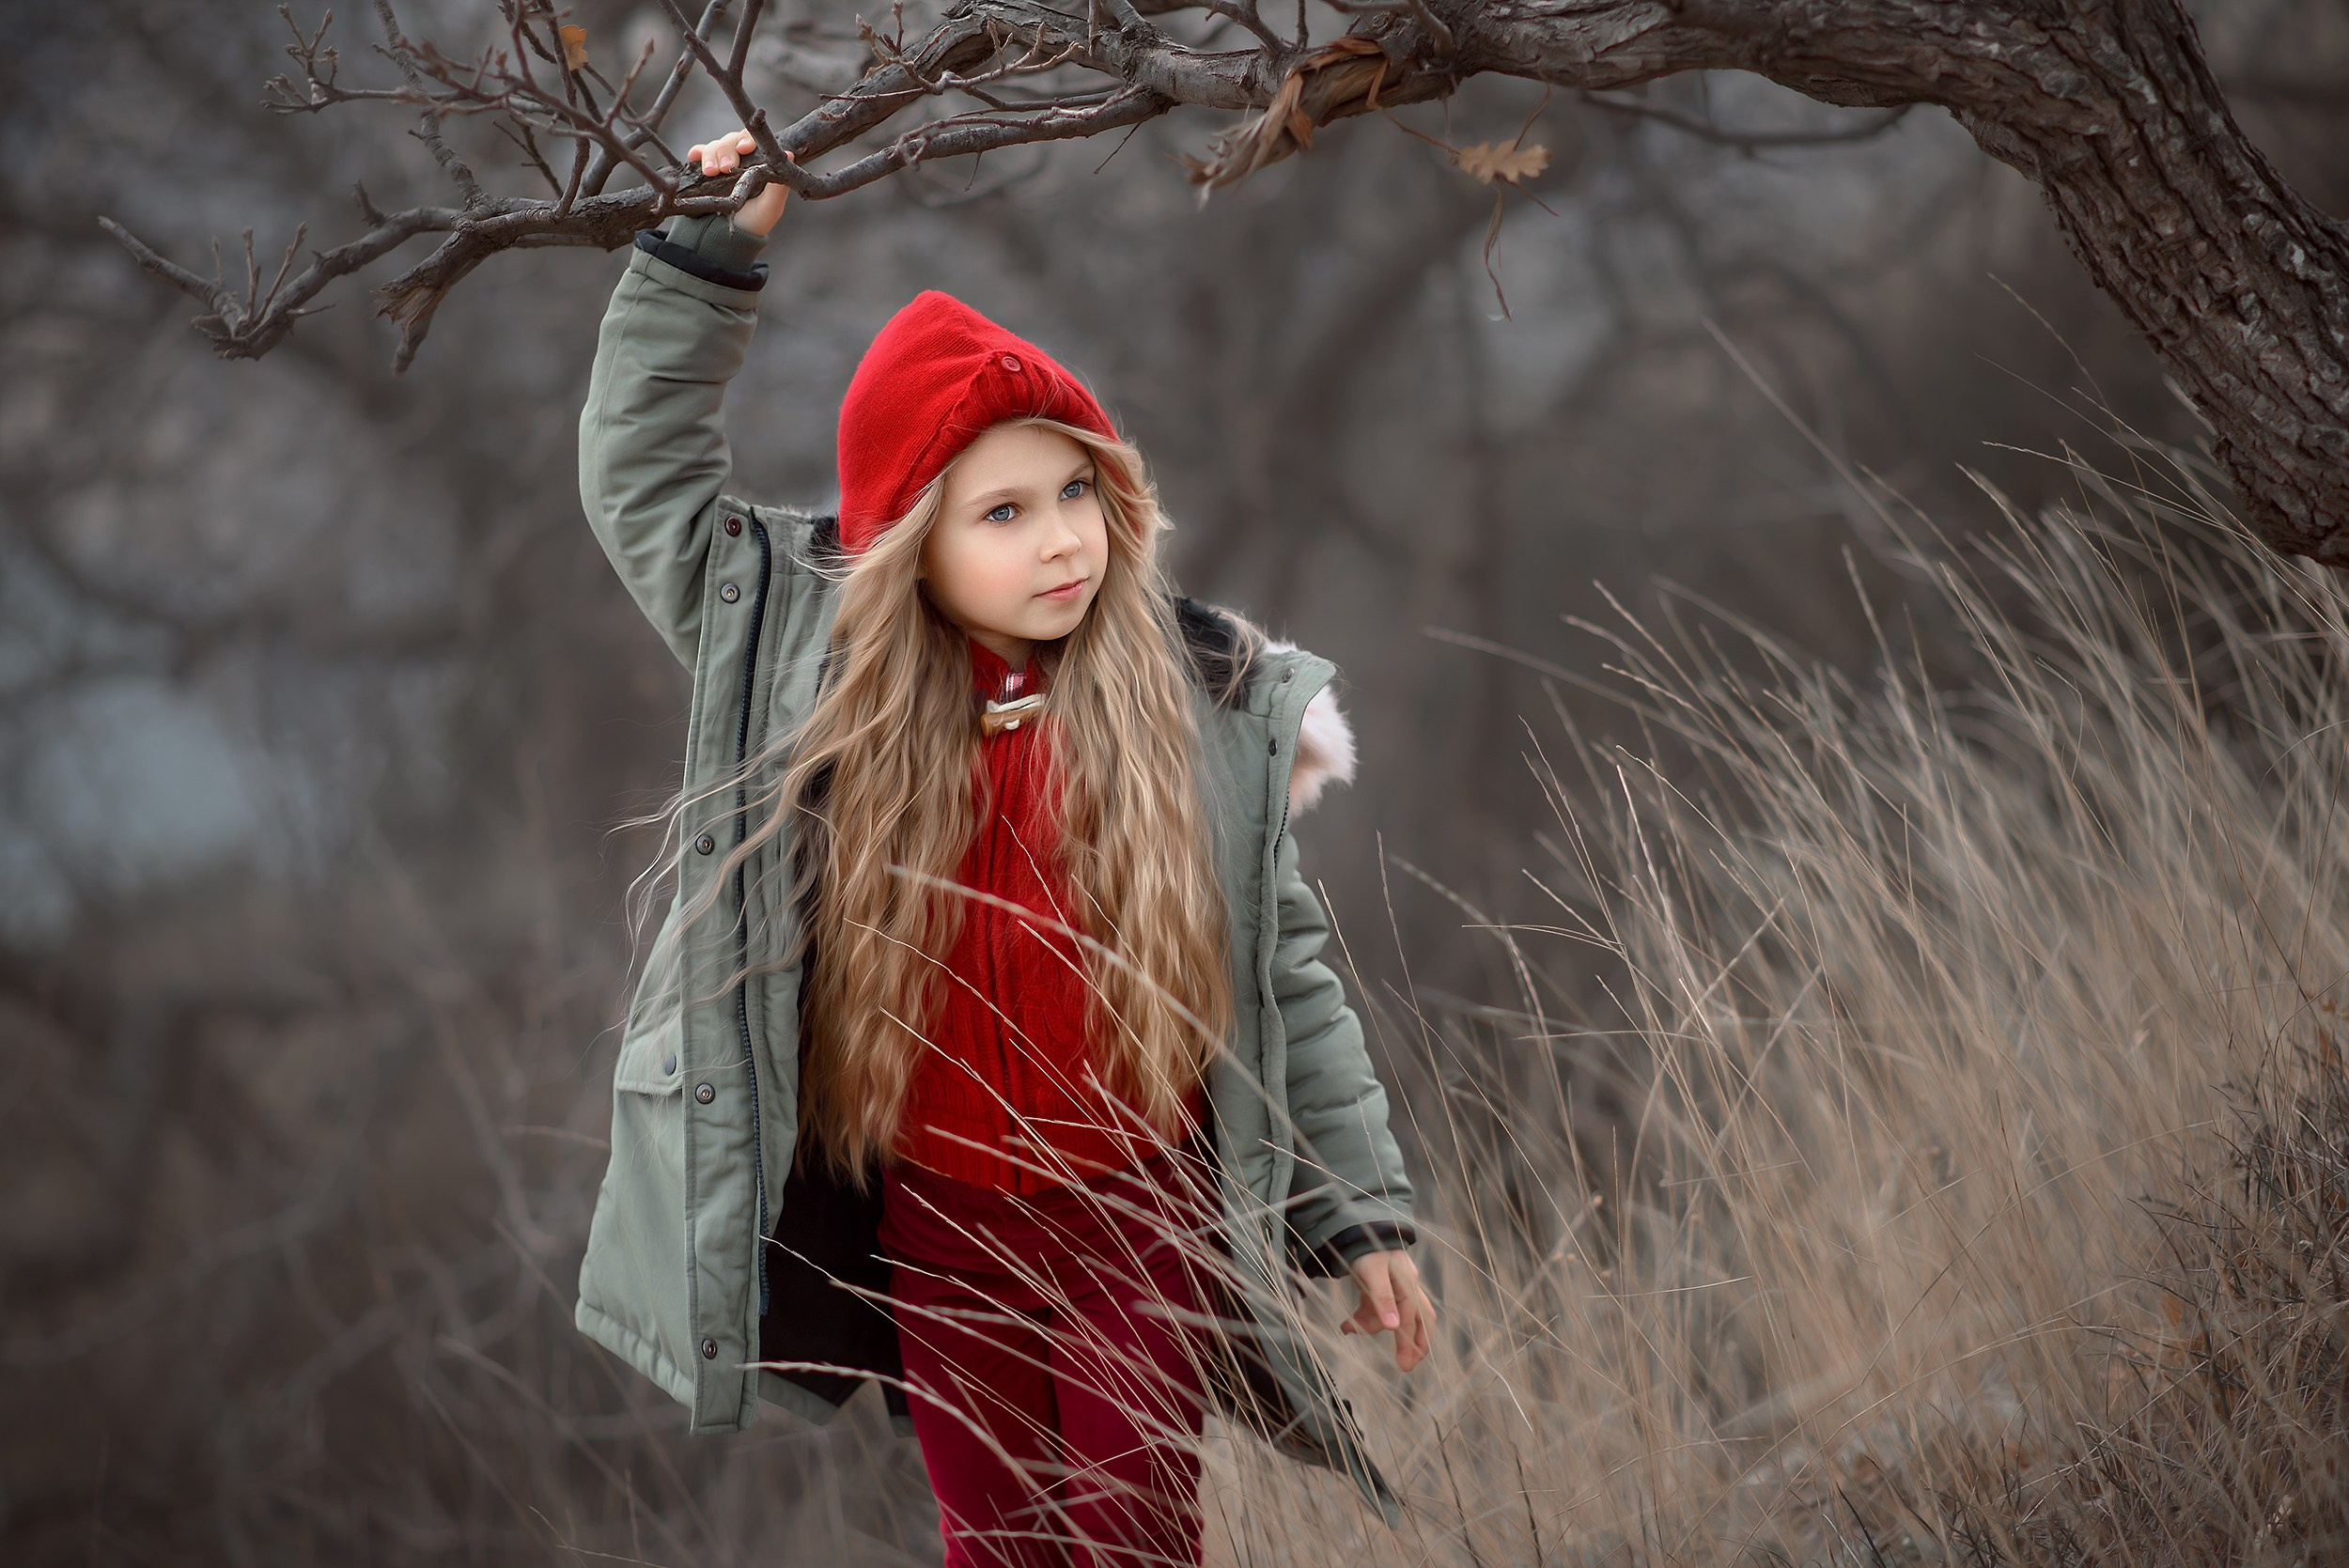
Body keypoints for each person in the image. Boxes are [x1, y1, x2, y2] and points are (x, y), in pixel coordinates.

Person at [570, 129, 1434, 1565]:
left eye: (1078, 490)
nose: (1061, 540)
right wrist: (707, 250)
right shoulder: (815, 676)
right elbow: (639, 481)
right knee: (1001, 1545)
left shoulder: (1189, 698)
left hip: (1140, 1217)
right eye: (1005, 512)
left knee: (1133, 1533)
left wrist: (1360, 1216)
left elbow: (1287, 973)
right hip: (943, 1228)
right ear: (914, 538)